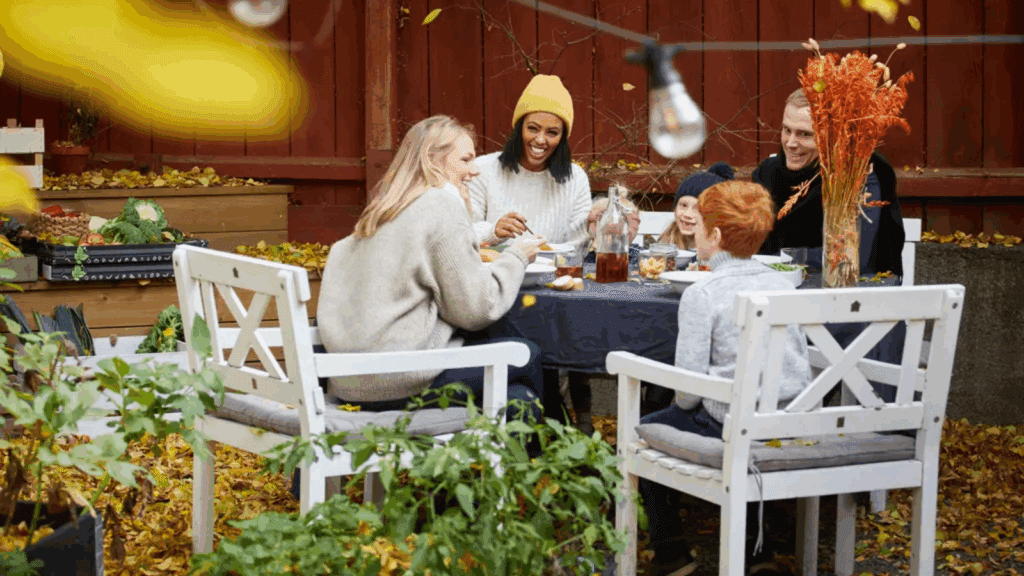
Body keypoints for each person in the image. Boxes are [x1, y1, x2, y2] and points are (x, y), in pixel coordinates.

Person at [316, 115, 547, 421]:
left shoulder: (382, 212)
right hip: (397, 383)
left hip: (350, 382)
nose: (475, 170)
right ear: (433, 161)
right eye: (465, 159)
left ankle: (540, 444)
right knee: (526, 355)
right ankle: (556, 444)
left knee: (516, 395)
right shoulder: (441, 204)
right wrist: (517, 256)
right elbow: (476, 309)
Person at [639, 180, 811, 576]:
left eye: (700, 224)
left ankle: (671, 554)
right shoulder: (782, 283)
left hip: (730, 422)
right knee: (739, 419)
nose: (695, 229)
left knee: (647, 428)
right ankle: (757, 555)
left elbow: (686, 394)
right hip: (789, 420)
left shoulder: (703, 293)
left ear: (714, 236)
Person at [754, 88, 905, 277]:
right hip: (771, 286)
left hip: (847, 288)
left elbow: (853, 258)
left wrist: (787, 257)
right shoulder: (768, 173)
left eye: (805, 134)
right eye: (787, 130)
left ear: (832, 137)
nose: (790, 143)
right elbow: (748, 246)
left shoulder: (857, 175)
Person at [468, 74, 593, 246]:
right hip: (496, 264)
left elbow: (580, 244)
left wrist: (598, 223)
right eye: (533, 129)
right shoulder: (482, 169)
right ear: (519, 128)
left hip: (557, 265)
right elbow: (463, 234)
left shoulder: (576, 178)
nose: (540, 140)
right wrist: (492, 231)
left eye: (552, 133)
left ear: (562, 138)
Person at [659, 162, 735, 250]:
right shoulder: (667, 242)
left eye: (698, 208)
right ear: (675, 209)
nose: (687, 214)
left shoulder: (727, 252)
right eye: (683, 205)